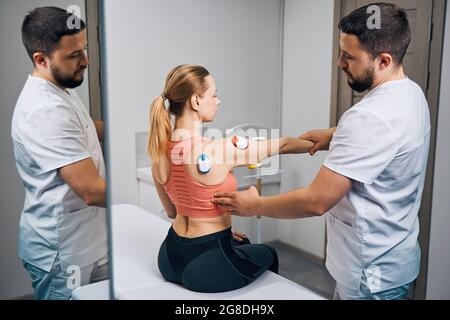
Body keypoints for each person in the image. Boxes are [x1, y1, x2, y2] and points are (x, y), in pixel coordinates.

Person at [213, 3, 430, 300]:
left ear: (383, 60)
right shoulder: (411, 94)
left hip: (370, 277)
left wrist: (253, 206)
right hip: (396, 263)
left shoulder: (369, 118)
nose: (339, 62)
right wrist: (332, 136)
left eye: (349, 56)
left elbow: (316, 201)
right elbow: (384, 143)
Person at [148, 64, 313, 293]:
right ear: (196, 101)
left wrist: (218, 229)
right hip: (205, 264)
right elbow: (283, 144)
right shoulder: (218, 149)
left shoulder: (157, 152)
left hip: (169, 255)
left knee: (240, 243)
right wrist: (324, 143)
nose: (218, 101)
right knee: (269, 253)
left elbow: (173, 212)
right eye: (213, 95)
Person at [11, 7, 108, 300]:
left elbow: (86, 129)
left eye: (85, 49)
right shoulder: (44, 110)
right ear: (41, 59)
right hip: (61, 253)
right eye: (74, 55)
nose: (86, 61)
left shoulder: (60, 87)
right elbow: (91, 190)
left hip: (89, 240)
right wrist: (164, 187)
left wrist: (147, 128)